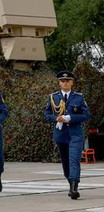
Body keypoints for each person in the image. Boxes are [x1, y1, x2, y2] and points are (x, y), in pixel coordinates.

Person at [44, 70, 91, 200]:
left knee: (74, 160)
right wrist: (55, 118)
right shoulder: (53, 97)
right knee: (65, 162)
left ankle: (74, 188)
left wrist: (71, 117)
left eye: (68, 81)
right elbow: (46, 115)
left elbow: (86, 115)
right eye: (63, 81)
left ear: (72, 82)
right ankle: (71, 182)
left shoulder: (79, 97)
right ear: (59, 83)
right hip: (60, 134)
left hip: (75, 133)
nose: (65, 83)